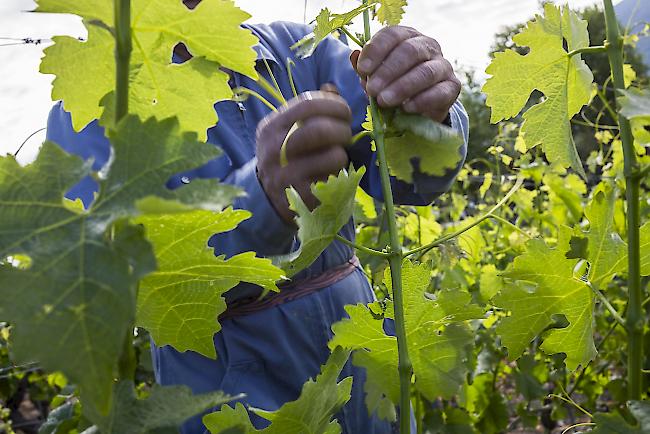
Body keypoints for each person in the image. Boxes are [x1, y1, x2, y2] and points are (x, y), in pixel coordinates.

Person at [45, 1, 469, 432]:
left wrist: (425, 111)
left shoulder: (299, 48)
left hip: (362, 369)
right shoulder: (90, 105)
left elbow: (411, 180)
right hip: (231, 395)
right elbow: (109, 286)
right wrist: (260, 203)